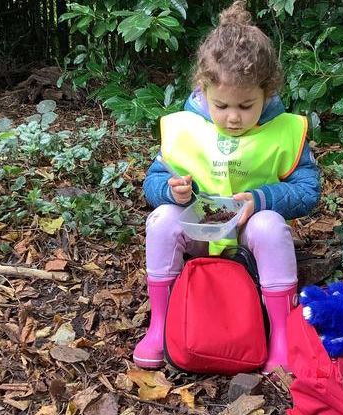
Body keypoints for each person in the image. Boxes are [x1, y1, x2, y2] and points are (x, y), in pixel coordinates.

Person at [133, 0, 320, 373]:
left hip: (249, 238)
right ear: (202, 89)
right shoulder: (186, 128)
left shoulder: (284, 130)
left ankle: (280, 336)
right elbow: (152, 182)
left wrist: (262, 199)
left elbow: (308, 190)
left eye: (246, 106)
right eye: (221, 106)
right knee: (162, 219)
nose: (233, 117)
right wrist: (171, 190)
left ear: (267, 92)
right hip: (199, 232)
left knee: (269, 225)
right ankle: (162, 326)